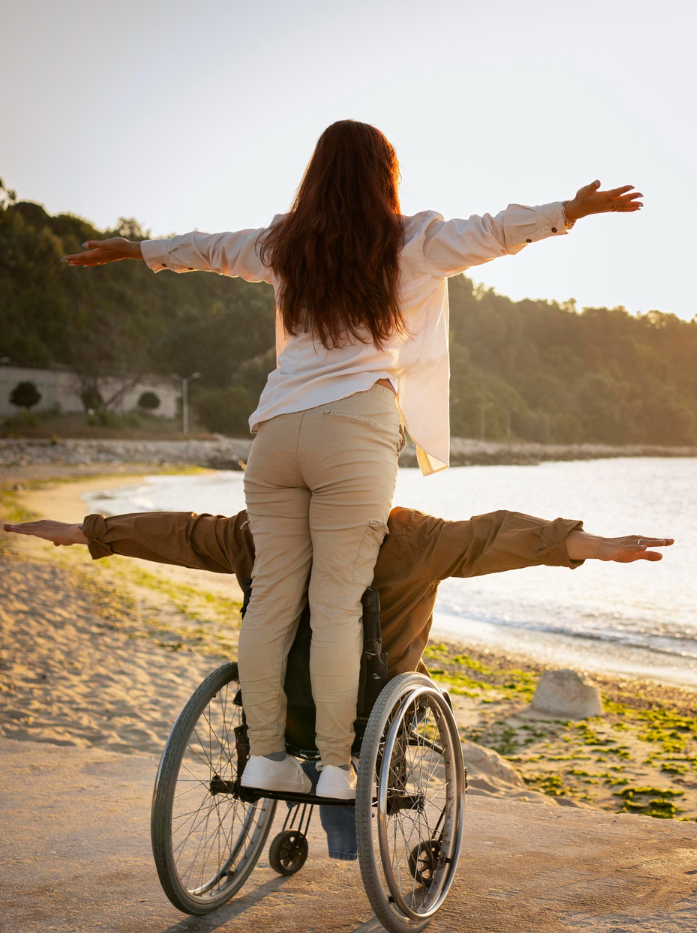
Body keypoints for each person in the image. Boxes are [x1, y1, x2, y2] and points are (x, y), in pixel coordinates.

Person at [63, 120, 643, 800]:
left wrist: (137, 250)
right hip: (355, 430)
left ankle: (266, 757)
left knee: (271, 601)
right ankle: (336, 768)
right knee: (337, 605)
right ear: (385, 177)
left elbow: (212, 249)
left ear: (318, 175)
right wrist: (567, 212)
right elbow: (491, 232)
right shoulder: (412, 240)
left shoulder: (286, 244)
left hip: (275, 432)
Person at [3, 509, 672, 681]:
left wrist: (85, 533)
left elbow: (179, 534)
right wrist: (596, 544)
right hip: (375, 686)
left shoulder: (258, 534)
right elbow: (497, 535)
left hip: (283, 682)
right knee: (407, 664)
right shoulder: (408, 536)